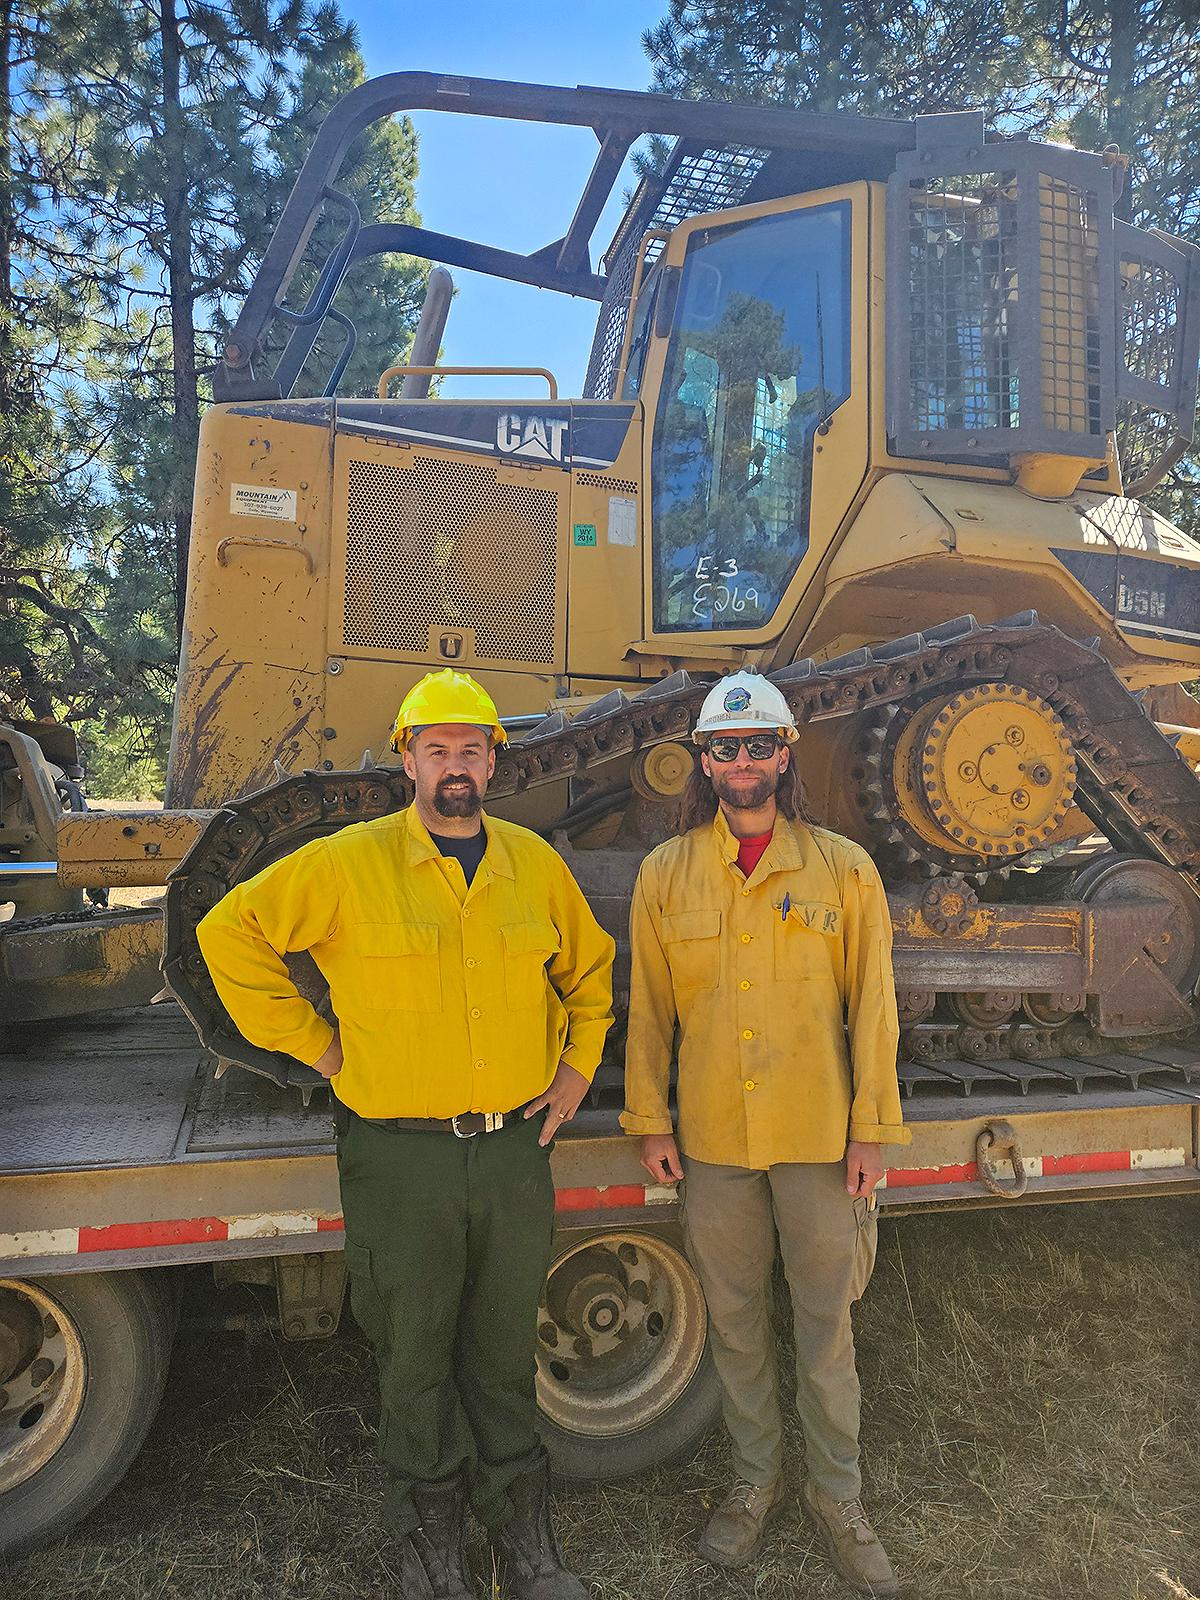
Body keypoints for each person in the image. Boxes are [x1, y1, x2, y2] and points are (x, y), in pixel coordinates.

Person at [197, 668, 615, 1600]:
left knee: (505, 1347)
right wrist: (319, 1048)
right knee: (414, 1351)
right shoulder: (350, 862)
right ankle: (432, 1546)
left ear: (492, 761)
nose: (455, 766)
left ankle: (525, 1540)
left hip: (512, 1152)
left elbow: (590, 972)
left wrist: (580, 1065)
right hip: (399, 1155)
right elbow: (232, 931)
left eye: (471, 749)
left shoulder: (531, 863)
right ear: (407, 760)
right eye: (437, 750)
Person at [621, 670, 909, 1598]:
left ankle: (838, 1496)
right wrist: (649, 1120)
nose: (741, 763)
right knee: (738, 1326)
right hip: (711, 1140)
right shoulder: (665, 876)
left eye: (758, 746)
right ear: (703, 763)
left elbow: (874, 1010)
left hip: (820, 1137)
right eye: (723, 748)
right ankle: (755, 1482)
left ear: (784, 756)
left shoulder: (842, 869)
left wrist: (871, 1131)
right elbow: (650, 1015)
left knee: (826, 1329)